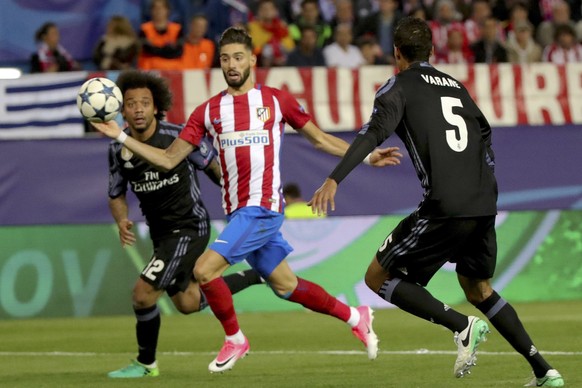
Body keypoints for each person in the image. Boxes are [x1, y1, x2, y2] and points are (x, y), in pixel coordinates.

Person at [92, 27, 403, 374]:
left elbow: (319, 139)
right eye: (225, 59)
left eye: (238, 57)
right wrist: (119, 134)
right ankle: (354, 315)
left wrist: (368, 155)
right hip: (240, 211)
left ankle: (236, 339)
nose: (232, 64)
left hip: (263, 207)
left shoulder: (275, 100)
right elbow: (167, 159)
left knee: (204, 271)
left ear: (252, 60)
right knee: (286, 286)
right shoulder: (207, 112)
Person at [309, 17, 565, 387]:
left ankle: (462, 327)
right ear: (432, 51)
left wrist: (334, 177)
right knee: (478, 288)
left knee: (377, 277)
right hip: (484, 200)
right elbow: (484, 134)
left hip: (446, 204)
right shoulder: (457, 87)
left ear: (396, 53)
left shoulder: (397, 87)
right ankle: (545, 371)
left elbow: (372, 134)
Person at [105, 69, 263, 378]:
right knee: (189, 302)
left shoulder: (180, 136)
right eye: (131, 103)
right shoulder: (117, 149)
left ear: (156, 107)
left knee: (142, 294)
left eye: (145, 103)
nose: (138, 109)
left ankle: (146, 364)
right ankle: (256, 276)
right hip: (162, 233)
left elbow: (216, 170)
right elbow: (115, 193)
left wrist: (244, 203)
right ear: (121, 109)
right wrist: (122, 218)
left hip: (190, 227)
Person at [137, 0, 184, 70]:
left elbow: (178, 51)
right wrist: (167, 49)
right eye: (155, 8)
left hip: (173, 71)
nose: (158, 11)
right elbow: (147, 49)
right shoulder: (144, 29)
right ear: (151, 11)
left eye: (162, 8)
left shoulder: (177, 29)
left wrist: (155, 49)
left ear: (168, 10)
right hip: (149, 71)